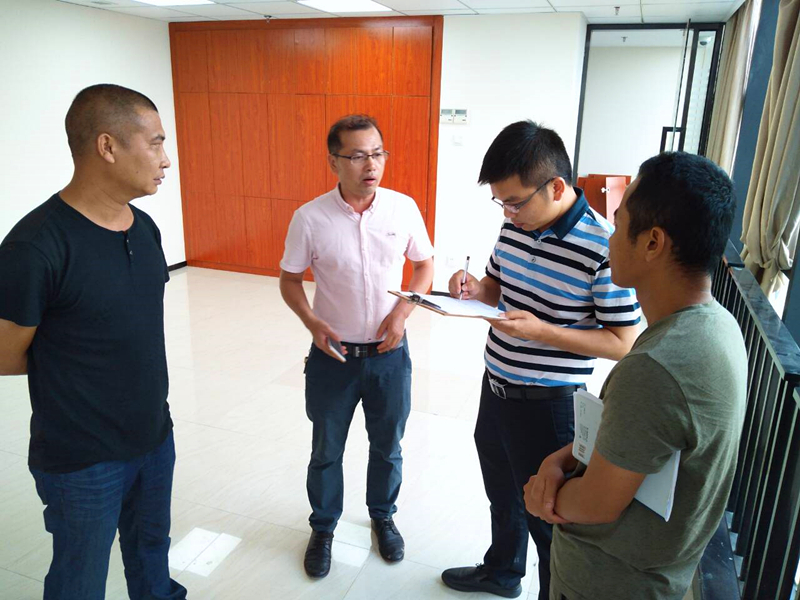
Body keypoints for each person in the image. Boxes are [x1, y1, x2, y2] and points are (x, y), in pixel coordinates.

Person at [525, 151, 746, 600]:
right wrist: (559, 461)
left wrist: (541, 498)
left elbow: (596, 504)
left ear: (652, 243)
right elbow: (642, 442)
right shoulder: (717, 325)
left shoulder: (657, 367)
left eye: (619, 223)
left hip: (607, 583)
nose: (610, 237)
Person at [441, 121, 641, 599]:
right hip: (497, 385)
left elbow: (623, 342)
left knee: (550, 518)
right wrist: (472, 289)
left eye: (515, 202)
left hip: (550, 405)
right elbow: (496, 287)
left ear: (555, 186)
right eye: (501, 204)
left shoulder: (604, 247)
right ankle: (502, 572)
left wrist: (542, 331)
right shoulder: (515, 227)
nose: (508, 215)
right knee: (502, 491)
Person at [0, 84, 185, 600]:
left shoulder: (144, 228)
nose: (166, 159)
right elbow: (5, 355)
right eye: (155, 142)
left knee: (152, 554)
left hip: (154, 435)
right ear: (107, 146)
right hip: (82, 459)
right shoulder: (35, 246)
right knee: (80, 579)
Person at [279, 114, 434, 578]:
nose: (371, 165)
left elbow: (424, 267)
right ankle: (324, 526)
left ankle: (382, 517)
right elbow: (289, 280)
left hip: (389, 356)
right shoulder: (310, 218)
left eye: (378, 153)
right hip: (334, 357)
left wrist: (402, 313)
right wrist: (311, 322)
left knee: (387, 446)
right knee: (327, 448)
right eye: (358, 156)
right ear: (334, 162)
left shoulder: (402, 208)